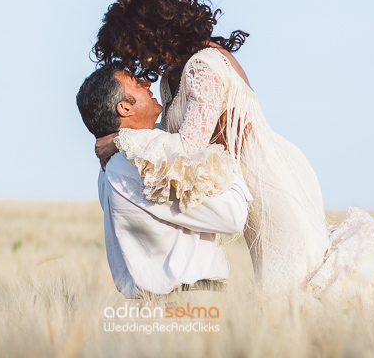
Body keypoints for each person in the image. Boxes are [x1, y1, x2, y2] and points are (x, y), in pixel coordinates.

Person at [92, 0, 374, 307]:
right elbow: (170, 156)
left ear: (149, 34)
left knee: (305, 291)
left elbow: (189, 151)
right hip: (246, 184)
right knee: (303, 284)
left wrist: (123, 142)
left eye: (133, 52)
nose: (136, 65)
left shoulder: (202, 67)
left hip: (267, 178)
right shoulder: (170, 79)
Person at [76, 62, 253, 299]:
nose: (147, 82)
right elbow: (232, 216)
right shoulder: (140, 165)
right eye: (136, 82)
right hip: (186, 303)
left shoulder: (125, 158)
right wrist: (228, 154)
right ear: (125, 108)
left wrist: (120, 139)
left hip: (167, 304)